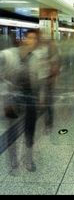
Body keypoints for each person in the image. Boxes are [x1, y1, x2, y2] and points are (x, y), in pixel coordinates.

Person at [0, 29, 40, 172]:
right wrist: (5, 98)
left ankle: (29, 160)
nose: (32, 41)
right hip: (13, 99)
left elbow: (36, 78)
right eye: (30, 38)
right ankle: (13, 162)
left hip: (30, 98)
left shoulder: (35, 58)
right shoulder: (11, 54)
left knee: (30, 131)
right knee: (12, 132)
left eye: (35, 39)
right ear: (24, 39)